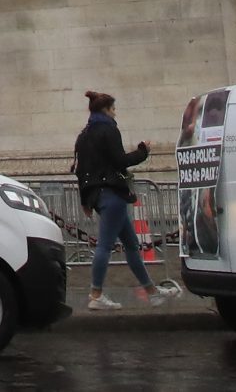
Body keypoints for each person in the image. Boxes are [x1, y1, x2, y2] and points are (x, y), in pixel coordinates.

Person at [73, 90, 175, 310]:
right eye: (113, 109)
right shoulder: (109, 130)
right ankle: (96, 294)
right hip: (112, 194)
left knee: (131, 244)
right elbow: (120, 161)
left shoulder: (83, 135)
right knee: (105, 245)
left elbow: (80, 170)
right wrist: (142, 151)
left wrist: (85, 200)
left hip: (96, 196)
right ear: (106, 110)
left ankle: (152, 292)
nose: (115, 113)